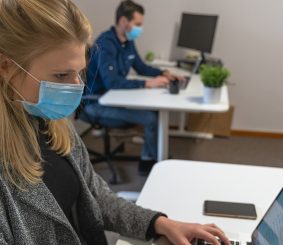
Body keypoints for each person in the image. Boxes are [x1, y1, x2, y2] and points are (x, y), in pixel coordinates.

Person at [0, 0, 230, 244]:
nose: (77, 86)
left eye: (79, 72)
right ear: (5, 67)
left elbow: (96, 197)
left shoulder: (54, 124)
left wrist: (160, 224)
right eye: (61, 75)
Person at [86, 0, 183, 176]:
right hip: (97, 103)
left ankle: (149, 158)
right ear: (124, 21)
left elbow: (141, 67)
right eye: (138, 24)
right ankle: (152, 163)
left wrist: (164, 73)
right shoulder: (106, 44)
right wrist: (146, 83)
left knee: (153, 114)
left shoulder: (127, 41)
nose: (140, 28)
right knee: (151, 119)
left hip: (115, 99)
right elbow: (112, 83)